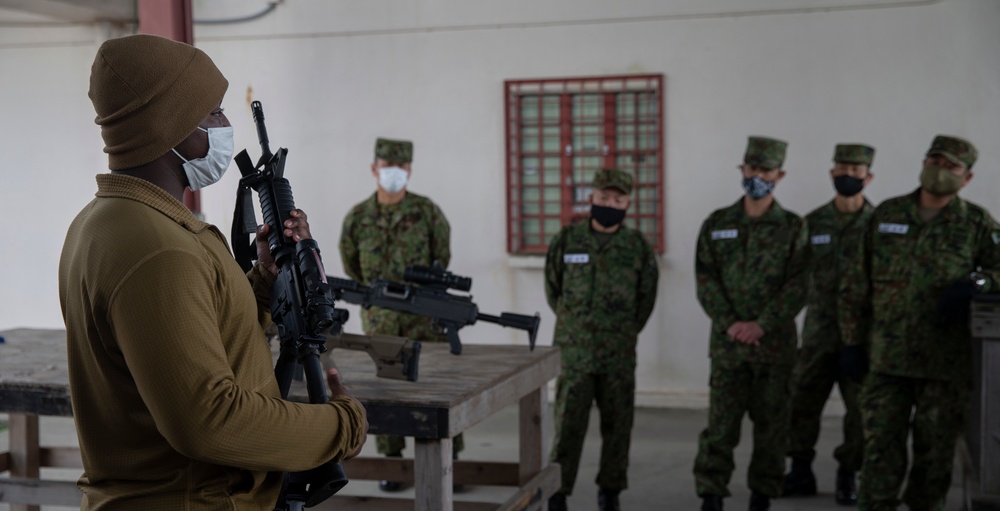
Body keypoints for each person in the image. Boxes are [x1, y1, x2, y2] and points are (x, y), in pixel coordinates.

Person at [58, 34, 367, 511]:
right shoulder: (158, 249)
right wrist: (341, 427)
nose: (225, 126)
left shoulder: (106, 222)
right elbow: (210, 419)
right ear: (171, 125)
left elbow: (197, 337)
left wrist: (263, 285)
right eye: (213, 114)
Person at [839, 135, 999, 511]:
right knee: (879, 452)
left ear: (967, 178)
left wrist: (976, 282)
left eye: (951, 167)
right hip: (885, 361)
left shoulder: (975, 223)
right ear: (924, 162)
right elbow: (853, 285)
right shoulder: (885, 216)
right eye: (935, 161)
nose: (939, 171)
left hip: (943, 366)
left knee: (935, 458)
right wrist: (850, 343)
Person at [692, 137, 808, 511]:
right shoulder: (717, 223)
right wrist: (731, 324)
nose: (758, 176)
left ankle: (763, 495)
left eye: (766, 170)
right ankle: (711, 494)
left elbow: (799, 284)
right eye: (752, 168)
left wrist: (762, 325)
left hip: (773, 349)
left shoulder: (793, 227)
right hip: (728, 348)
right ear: (742, 170)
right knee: (720, 428)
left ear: (780, 175)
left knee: (772, 429)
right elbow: (705, 280)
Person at [338, 137, 457, 491]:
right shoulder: (358, 217)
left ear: (409, 171)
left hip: (424, 314)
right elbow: (352, 264)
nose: (393, 174)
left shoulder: (428, 212)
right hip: (381, 318)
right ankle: (392, 463)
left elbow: (442, 257)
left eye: (400, 168)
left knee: (437, 382)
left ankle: (453, 458)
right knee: (386, 383)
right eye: (387, 166)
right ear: (374, 169)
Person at [544, 168, 659, 511]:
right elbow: (554, 291)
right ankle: (558, 492)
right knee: (568, 425)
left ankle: (610, 491)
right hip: (575, 353)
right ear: (591, 198)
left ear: (628, 204)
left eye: (618, 200)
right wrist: (577, 326)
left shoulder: (637, 246)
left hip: (618, 353)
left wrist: (620, 330)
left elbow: (646, 299)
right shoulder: (566, 240)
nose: (610, 204)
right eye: (604, 198)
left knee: (618, 425)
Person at [783, 144, 876, 506]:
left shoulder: (879, 224)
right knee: (802, 403)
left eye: (856, 171)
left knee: (860, 410)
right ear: (831, 173)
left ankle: (848, 473)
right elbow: (794, 276)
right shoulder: (812, 223)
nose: (848, 176)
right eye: (842, 169)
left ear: (868, 177)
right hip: (818, 332)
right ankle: (800, 470)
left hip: (862, 337)